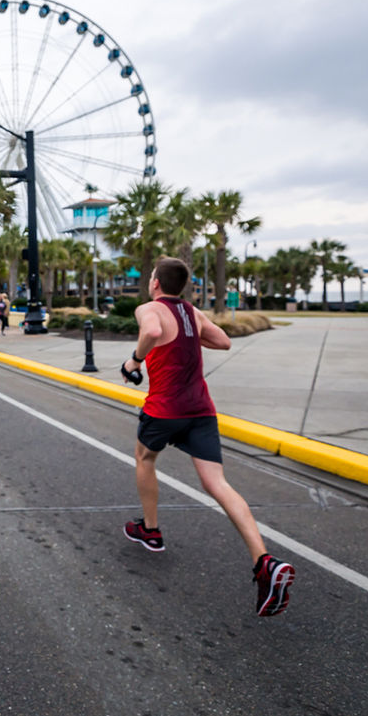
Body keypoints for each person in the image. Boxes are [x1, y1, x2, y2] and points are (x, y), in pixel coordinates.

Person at [121, 257, 295, 617]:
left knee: (144, 458)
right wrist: (188, 340)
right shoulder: (192, 312)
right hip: (201, 410)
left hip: (165, 409)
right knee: (218, 484)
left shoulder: (148, 308)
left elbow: (152, 332)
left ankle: (151, 530)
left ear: (154, 283)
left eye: (151, 277)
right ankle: (264, 561)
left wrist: (135, 361)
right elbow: (224, 341)